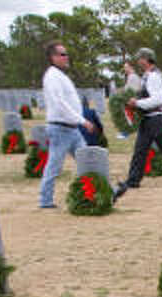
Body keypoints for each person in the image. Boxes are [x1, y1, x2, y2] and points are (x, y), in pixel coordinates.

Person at [112, 48, 162, 202]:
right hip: (154, 118)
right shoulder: (149, 76)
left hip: (154, 119)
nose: (138, 61)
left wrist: (137, 102)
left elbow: (157, 99)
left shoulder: (154, 77)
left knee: (140, 150)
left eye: (140, 58)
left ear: (147, 59)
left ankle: (133, 180)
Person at [37, 41, 99, 208]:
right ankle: (45, 200)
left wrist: (79, 121)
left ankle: (99, 192)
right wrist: (82, 121)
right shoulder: (52, 77)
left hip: (72, 129)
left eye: (66, 54)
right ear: (53, 57)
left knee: (88, 160)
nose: (66, 57)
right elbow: (60, 104)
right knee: (54, 165)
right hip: (60, 128)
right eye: (62, 54)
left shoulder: (60, 75)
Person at [118, 62, 143, 138]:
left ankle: (126, 133)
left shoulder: (133, 76)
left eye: (126, 67)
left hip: (132, 100)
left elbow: (135, 90)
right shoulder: (131, 76)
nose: (125, 69)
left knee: (127, 115)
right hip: (132, 99)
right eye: (124, 67)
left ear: (131, 67)